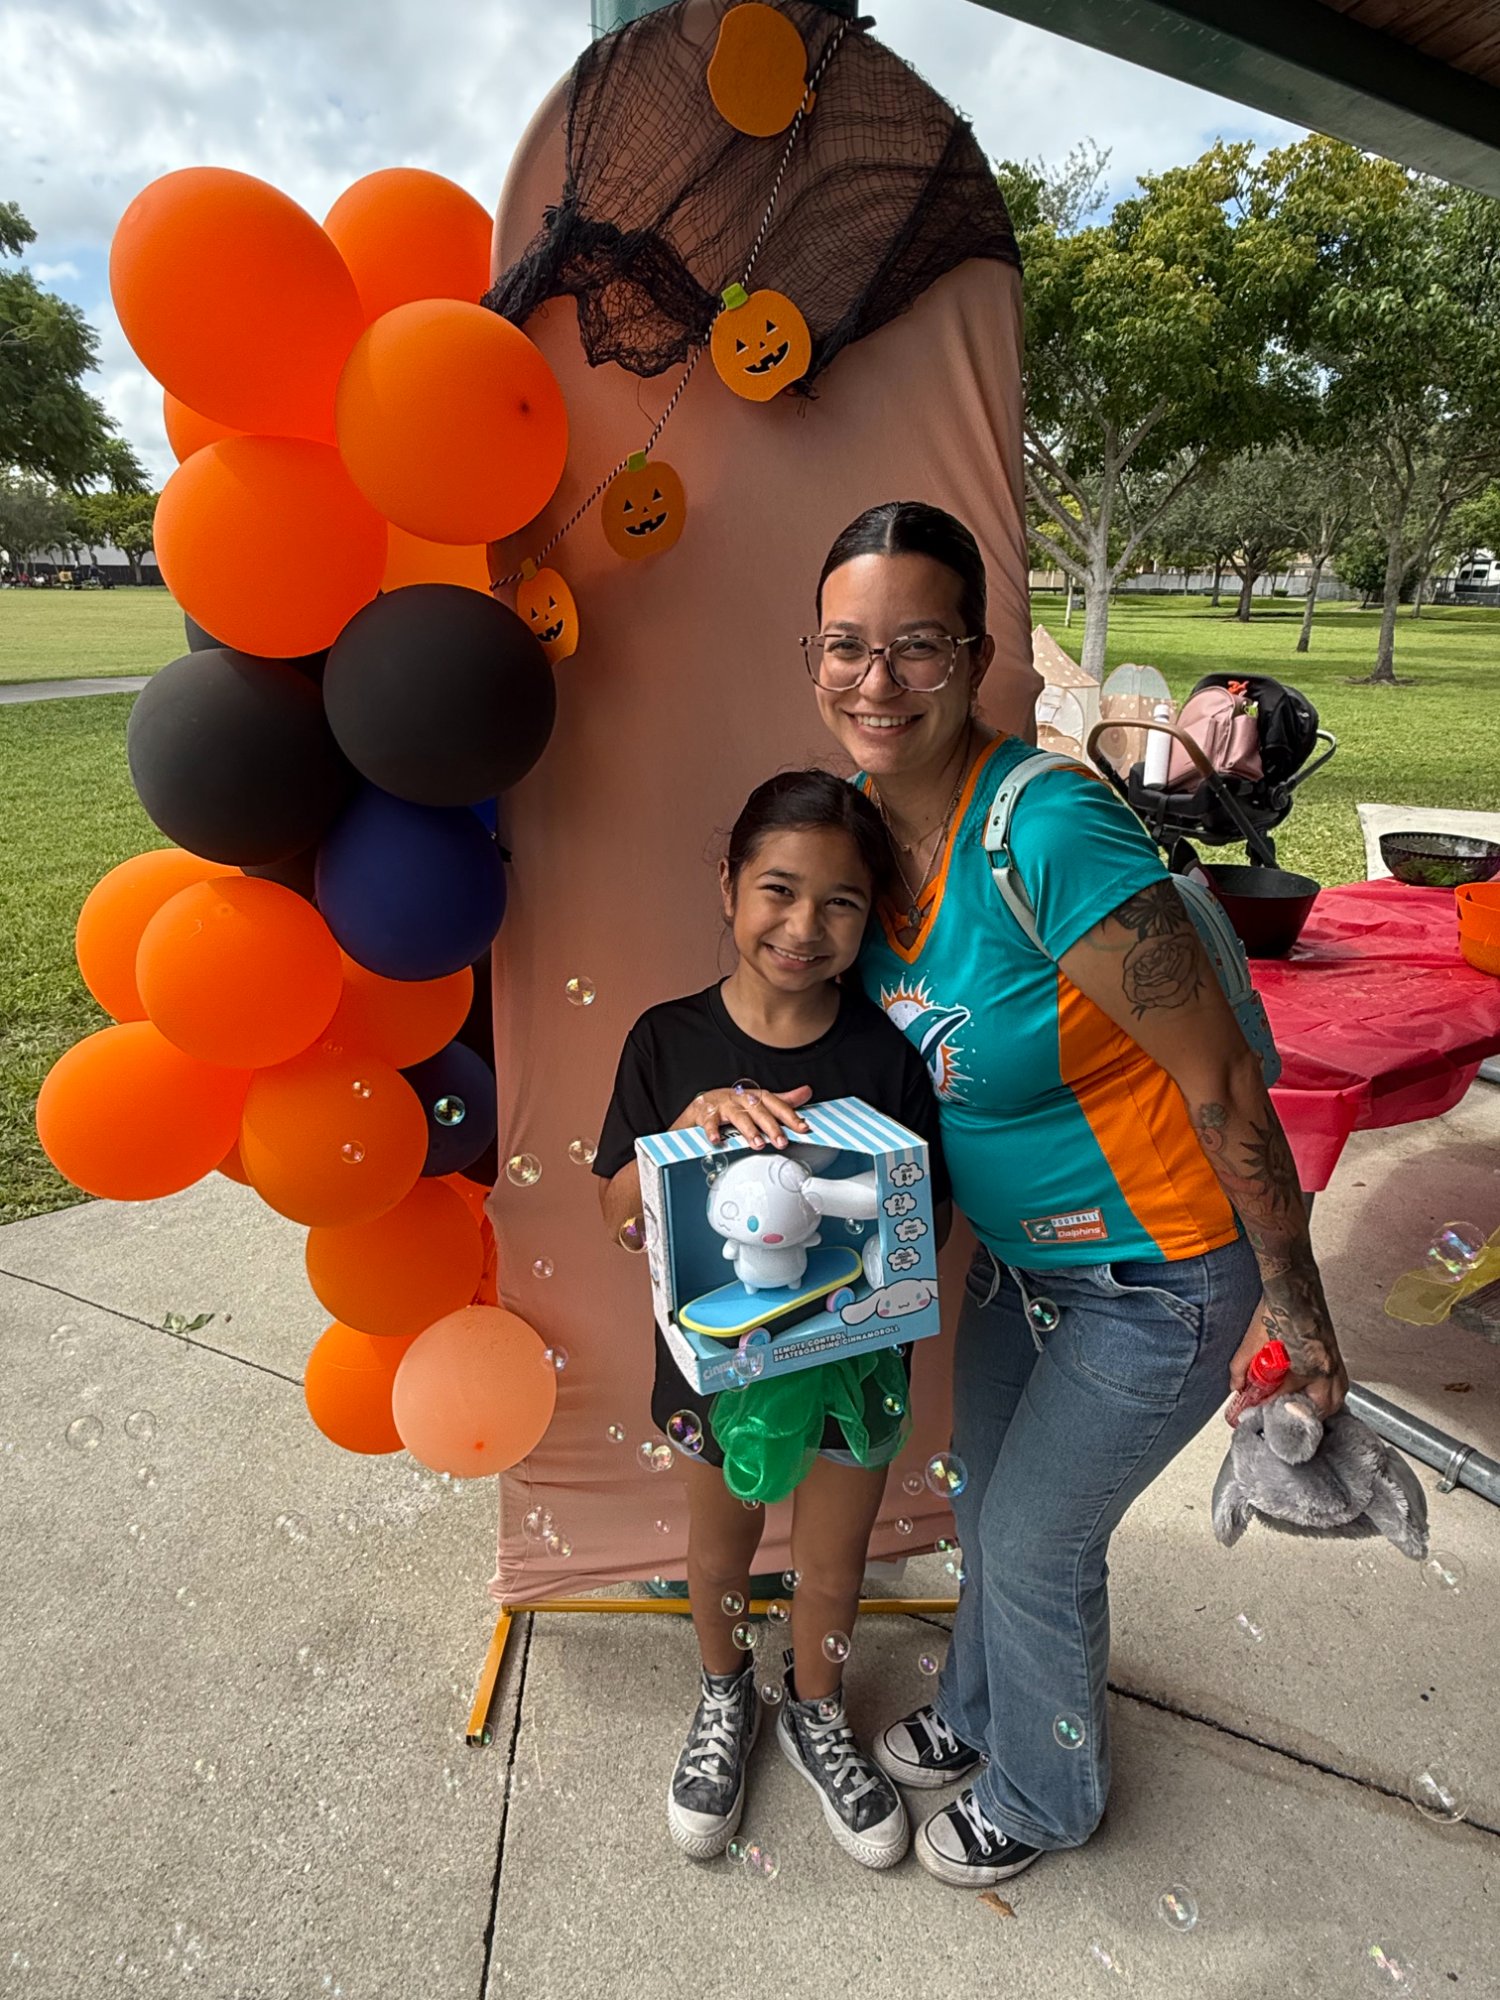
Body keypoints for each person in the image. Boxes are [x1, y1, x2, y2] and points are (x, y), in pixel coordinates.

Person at [796, 499, 1347, 1889]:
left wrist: (1305, 1324)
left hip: (1162, 1276)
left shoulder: (1045, 831)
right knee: (988, 1511)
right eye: (848, 647)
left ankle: (1049, 1794)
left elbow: (1221, 1078)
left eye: (916, 647)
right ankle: (983, 1711)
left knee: (1037, 1545)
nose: (878, 682)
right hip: (1021, 1270)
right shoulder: (858, 836)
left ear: (978, 658)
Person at [594, 769, 951, 1870]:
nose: (804, 926)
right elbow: (617, 1210)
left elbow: (922, 1217)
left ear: (869, 918)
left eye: (840, 902)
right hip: (717, 1373)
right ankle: (723, 1694)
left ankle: (817, 1707)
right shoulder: (666, 1042)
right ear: (729, 886)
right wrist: (690, 1137)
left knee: (834, 1562)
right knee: (721, 1547)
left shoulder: (885, 1056)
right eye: (779, 890)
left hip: (855, 1370)